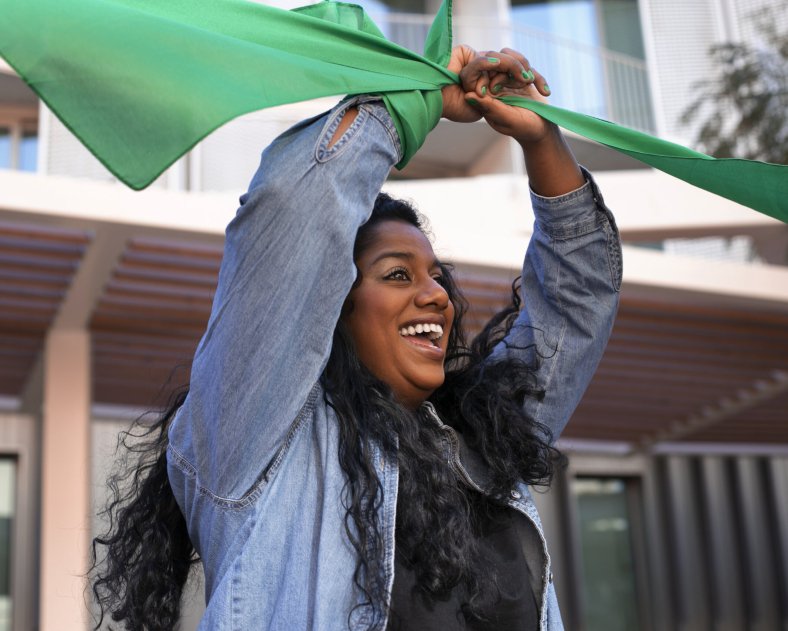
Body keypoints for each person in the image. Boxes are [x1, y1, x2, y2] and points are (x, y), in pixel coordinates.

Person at [92, 46, 621, 631]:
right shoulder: (259, 438)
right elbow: (295, 208)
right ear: (330, 306)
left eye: (437, 277)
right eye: (397, 275)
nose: (437, 296)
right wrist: (413, 100)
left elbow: (575, 303)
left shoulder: (485, 435)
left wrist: (541, 140)